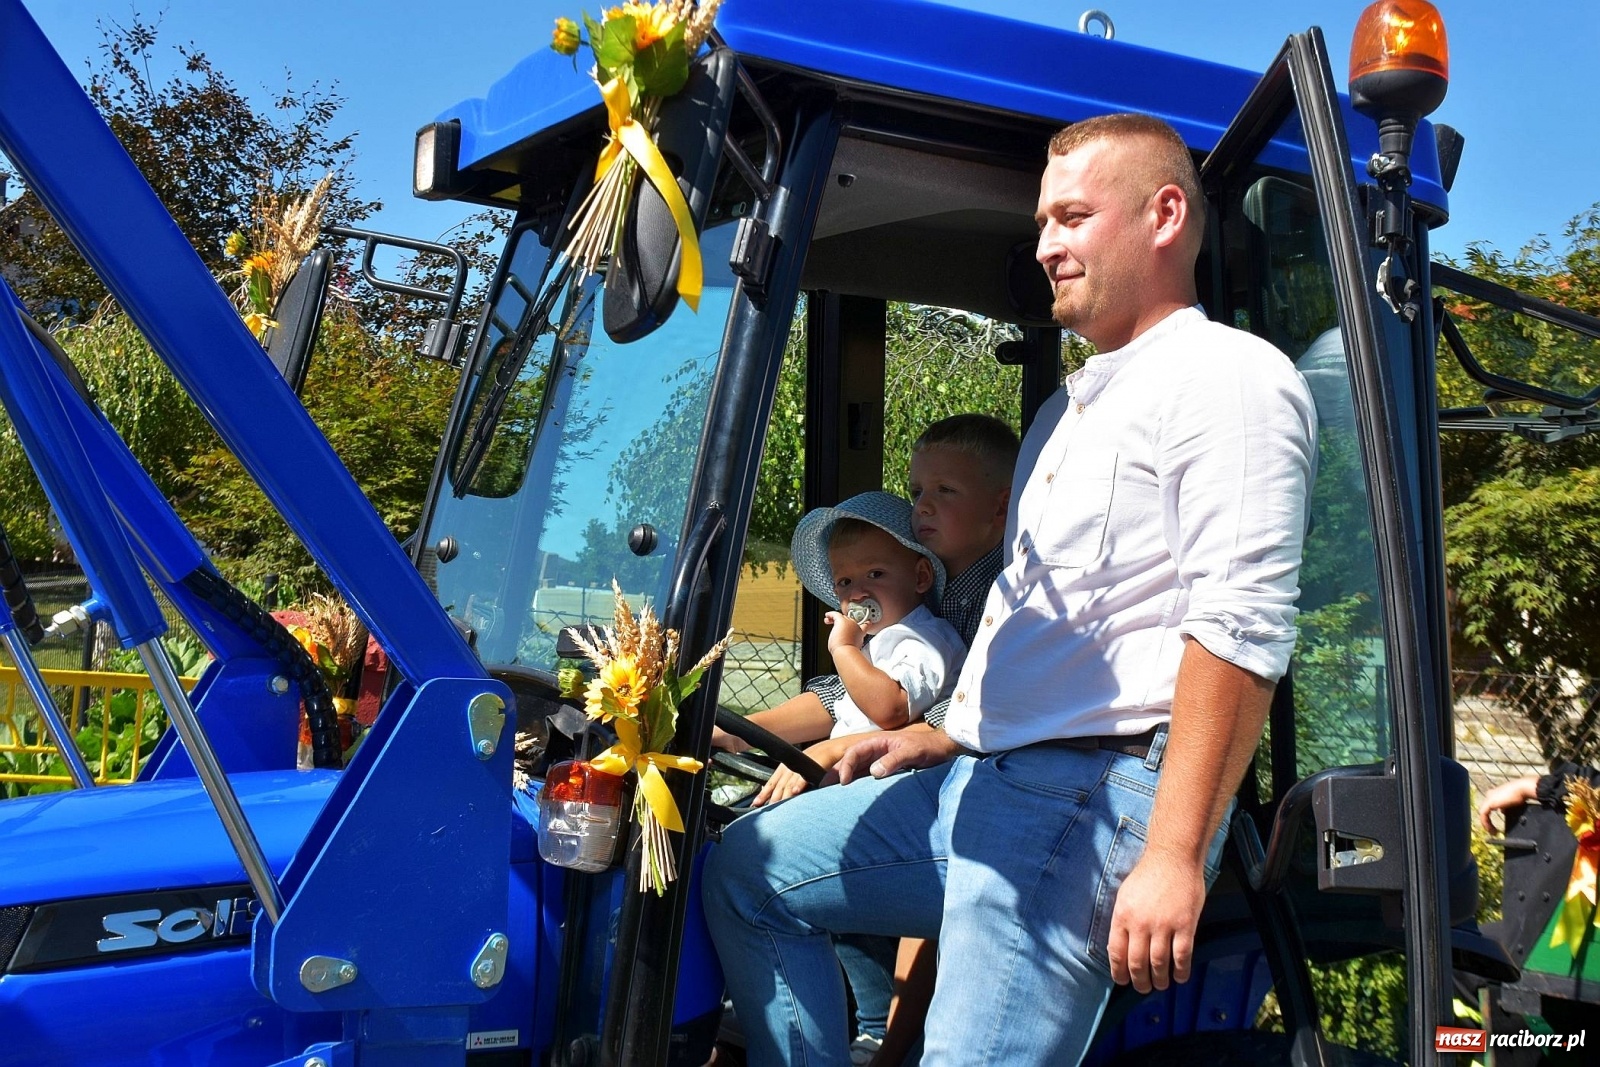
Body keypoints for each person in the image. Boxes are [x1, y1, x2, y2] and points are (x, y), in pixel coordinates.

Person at [702, 112, 1316, 1067]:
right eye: (1041, 223)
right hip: (986, 775)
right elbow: (1028, 608)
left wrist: (1171, 853)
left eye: (1072, 217)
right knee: (748, 870)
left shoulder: (1227, 379)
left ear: (1164, 215)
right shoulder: (1065, 411)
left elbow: (1239, 631)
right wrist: (943, 732)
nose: (1045, 246)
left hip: (1096, 794)